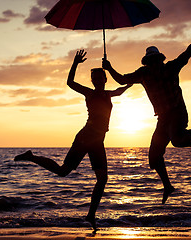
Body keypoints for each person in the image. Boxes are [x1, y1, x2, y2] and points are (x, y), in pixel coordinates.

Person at [102, 18, 191, 204]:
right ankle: (167, 186)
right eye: (151, 62)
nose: (154, 64)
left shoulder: (171, 67)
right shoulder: (143, 74)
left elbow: (189, 51)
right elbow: (121, 80)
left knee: (177, 140)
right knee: (153, 158)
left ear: (161, 60)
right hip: (163, 117)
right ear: (147, 63)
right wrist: (109, 68)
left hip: (177, 112)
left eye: (156, 60)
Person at [14, 49, 131, 231]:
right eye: (96, 78)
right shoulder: (89, 93)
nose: (99, 80)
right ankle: (31, 157)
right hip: (85, 137)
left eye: (101, 78)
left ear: (105, 79)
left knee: (102, 179)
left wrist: (137, 78)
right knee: (63, 171)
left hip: (98, 142)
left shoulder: (109, 94)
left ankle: (91, 215)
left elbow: (122, 89)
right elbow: (70, 82)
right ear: (93, 81)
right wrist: (75, 63)